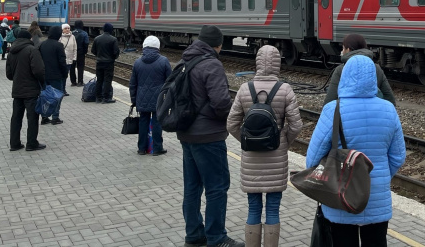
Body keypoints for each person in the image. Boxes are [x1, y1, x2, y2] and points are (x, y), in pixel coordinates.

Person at [306, 55, 406, 247]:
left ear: (345, 77)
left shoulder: (332, 109)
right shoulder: (388, 109)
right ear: (373, 78)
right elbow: (398, 157)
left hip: (340, 200)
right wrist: (378, 177)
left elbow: (311, 160)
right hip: (376, 200)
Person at [226, 45, 303, 247]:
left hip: (251, 159)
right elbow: (296, 125)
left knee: (253, 208)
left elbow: (231, 124)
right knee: (273, 208)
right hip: (276, 158)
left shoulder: (245, 89)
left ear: (258, 63)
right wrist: (282, 141)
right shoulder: (285, 90)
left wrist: (246, 141)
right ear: (277, 64)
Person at [178, 25, 244, 247]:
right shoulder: (212, 64)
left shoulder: (185, 60)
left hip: (187, 133)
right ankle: (216, 237)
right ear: (218, 45)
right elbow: (220, 103)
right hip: (209, 136)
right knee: (217, 187)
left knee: (192, 187)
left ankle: (194, 234)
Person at [324, 33, 395, 106]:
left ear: (348, 50)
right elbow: (389, 99)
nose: (342, 51)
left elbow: (329, 102)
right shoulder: (376, 68)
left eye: (343, 48)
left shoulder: (341, 70)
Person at [129, 36, 171, 156]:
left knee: (143, 122)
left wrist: (134, 100)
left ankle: (141, 148)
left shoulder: (137, 62)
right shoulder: (164, 61)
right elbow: (170, 81)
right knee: (157, 122)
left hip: (142, 98)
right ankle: (157, 148)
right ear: (157, 47)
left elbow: (133, 84)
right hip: (159, 98)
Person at [6, 29, 47, 151]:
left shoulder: (11, 52)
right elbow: (39, 70)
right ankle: (31, 143)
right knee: (32, 118)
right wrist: (42, 82)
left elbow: (9, 75)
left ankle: (15, 144)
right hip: (31, 91)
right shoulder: (32, 50)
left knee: (16, 117)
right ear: (29, 38)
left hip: (17, 90)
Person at [38, 26, 67, 125]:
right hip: (56, 76)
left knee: (45, 96)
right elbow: (62, 62)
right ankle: (55, 117)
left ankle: (44, 116)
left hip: (44, 76)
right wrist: (65, 74)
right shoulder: (59, 45)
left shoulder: (42, 44)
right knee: (57, 97)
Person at [91, 23, 120, 103]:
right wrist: (113, 58)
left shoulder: (97, 38)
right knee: (107, 80)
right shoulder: (113, 39)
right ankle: (106, 98)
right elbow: (116, 52)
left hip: (99, 62)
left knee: (99, 80)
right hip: (109, 63)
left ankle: (98, 97)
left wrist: (99, 55)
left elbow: (93, 51)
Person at [69, 20, 89, 87]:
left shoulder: (71, 33)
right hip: (80, 52)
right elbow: (86, 43)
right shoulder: (84, 33)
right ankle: (80, 82)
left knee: (72, 67)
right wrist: (85, 51)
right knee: (80, 67)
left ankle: (73, 82)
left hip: (71, 52)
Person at [59, 24, 77, 96]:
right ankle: (60, 89)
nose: (67, 29)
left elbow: (75, 48)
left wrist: (74, 58)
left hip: (69, 60)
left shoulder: (72, 37)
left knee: (65, 75)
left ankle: (63, 89)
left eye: (68, 28)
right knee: (61, 75)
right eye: (65, 28)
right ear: (62, 29)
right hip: (62, 60)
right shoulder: (59, 37)